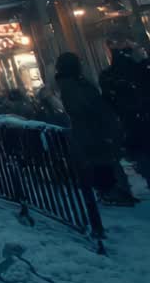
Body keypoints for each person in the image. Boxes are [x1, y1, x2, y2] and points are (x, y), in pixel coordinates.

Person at [55, 52, 136, 205]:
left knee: (103, 160)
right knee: (102, 160)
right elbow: (83, 106)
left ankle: (114, 191)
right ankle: (111, 192)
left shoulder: (72, 83)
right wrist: (99, 111)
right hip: (92, 129)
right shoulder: (73, 85)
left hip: (91, 129)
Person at [99, 37, 150, 189]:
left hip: (131, 122)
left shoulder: (109, 75)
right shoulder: (141, 69)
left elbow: (108, 102)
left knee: (143, 155)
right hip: (139, 119)